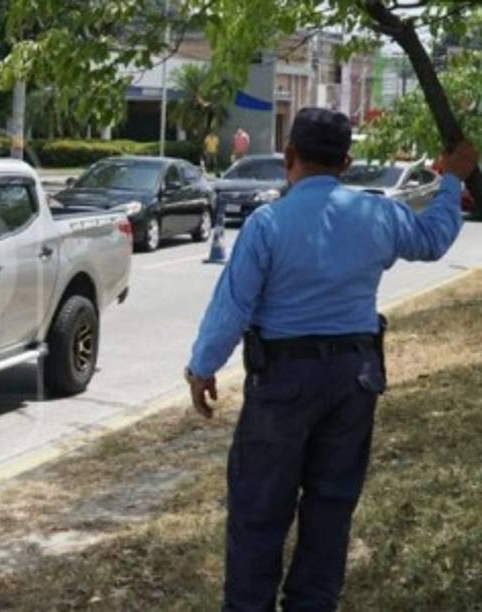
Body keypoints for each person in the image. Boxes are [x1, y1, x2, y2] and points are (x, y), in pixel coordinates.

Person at [185, 107, 477, 611]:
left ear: (289, 157)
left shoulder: (267, 224)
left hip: (281, 383)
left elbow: (233, 305)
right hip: (354, 380)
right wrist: (451, 180)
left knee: (259, 512)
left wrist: (203, 367)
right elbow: (432, 241)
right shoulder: (377, 213)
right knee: (330, 509)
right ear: (347, 162)